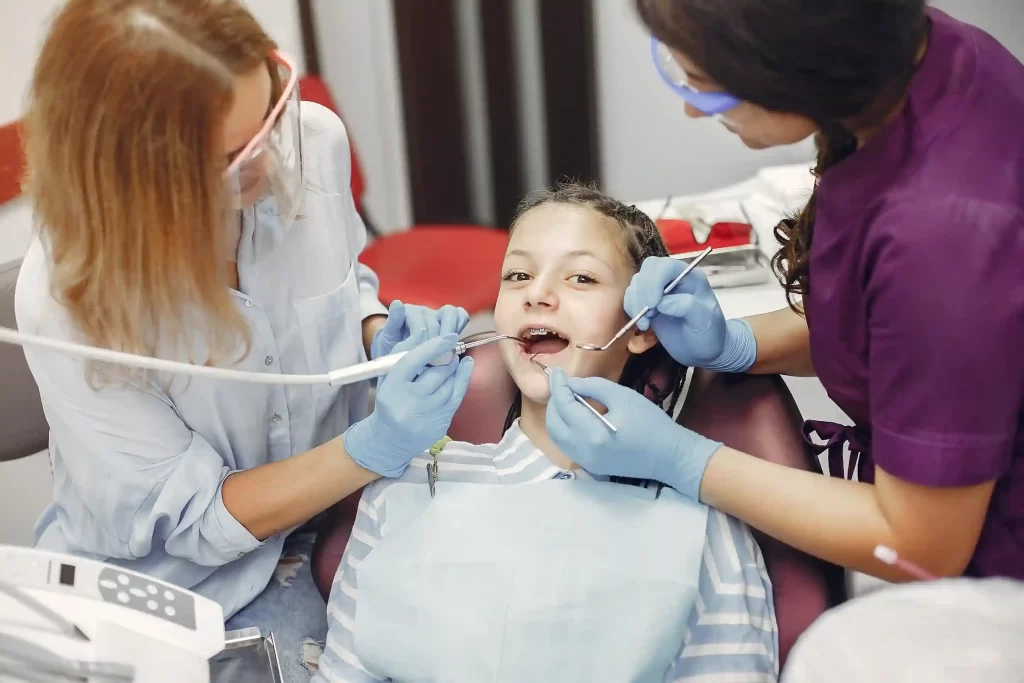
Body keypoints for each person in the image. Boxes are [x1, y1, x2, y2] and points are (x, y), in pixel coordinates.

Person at [15, 1, 471, 680]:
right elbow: (198, 518)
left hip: (335, 519)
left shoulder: (312, 141)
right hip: (188, 587)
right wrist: (370, 448)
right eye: (228, 159)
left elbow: (345, 278)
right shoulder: (69, 303)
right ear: (136, 184)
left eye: (270, 113)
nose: (266, 161)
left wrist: (378, 332)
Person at [544, 1, 1024, 584]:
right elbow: (898, 333)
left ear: (800, 68)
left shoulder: (945, 243)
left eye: (710, 84)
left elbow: (919, 546)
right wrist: (735, 345)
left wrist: (683, 460)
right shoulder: (920, 52)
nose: (694, 108)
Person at [315, 183, 779, 683]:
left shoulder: (702, 530)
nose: (537, 293)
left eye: (581, 277)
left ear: (644, 326)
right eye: (517, 274)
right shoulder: (404, 490)